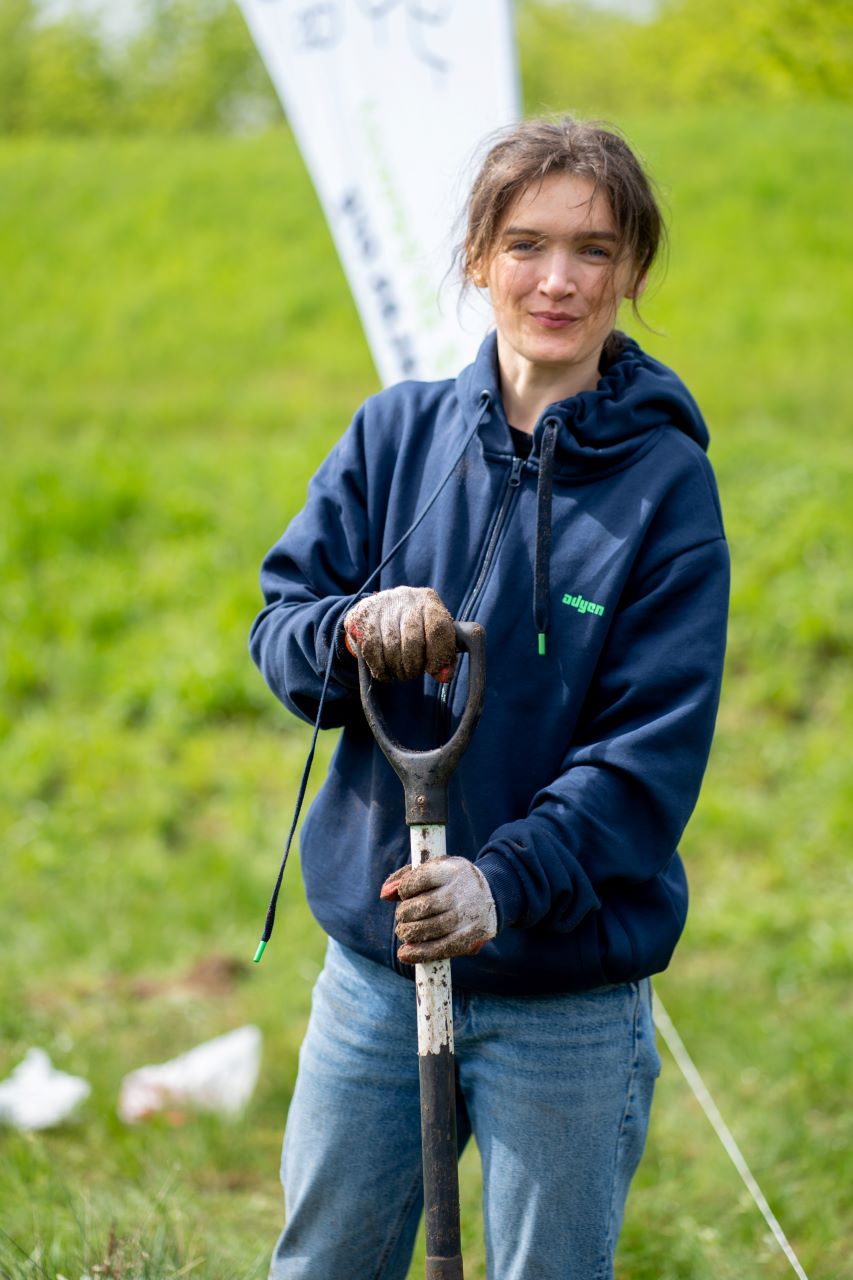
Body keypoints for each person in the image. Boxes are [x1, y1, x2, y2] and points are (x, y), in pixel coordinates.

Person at [250, 117, 729, 1280]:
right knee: (323, 1265)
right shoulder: (394, 435)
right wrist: (352, 630)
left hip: (563, 998)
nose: (557, 279)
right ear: (477, 256)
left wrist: (499, 883)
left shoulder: (666, 489)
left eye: (592, 249)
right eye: (526, 244)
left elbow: (645, 762)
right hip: (379, 977)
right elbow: (280, 629)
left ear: (630, 270)